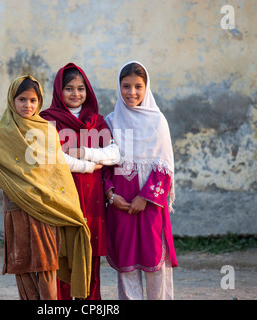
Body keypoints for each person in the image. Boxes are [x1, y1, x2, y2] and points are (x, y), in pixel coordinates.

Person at [0, 75, 92, 300]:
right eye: (21, 99)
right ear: (12, 100)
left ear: (39, 102)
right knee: (23, 266)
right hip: (16, 210)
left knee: (47, 265)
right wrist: (10, 185)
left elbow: (56, 171)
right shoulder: (1, 133)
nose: (27, 105)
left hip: (44, 211)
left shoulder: (46, 130)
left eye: (33, 100)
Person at [40, 63, 120, 300]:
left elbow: (115, 154)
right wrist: (91, 165)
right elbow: (53, 160)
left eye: (81, 88)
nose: (76, 94)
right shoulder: (47, 121)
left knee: (91, 261)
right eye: (69, 89)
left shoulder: (96, 121)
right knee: (63, 258)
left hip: (93, 201)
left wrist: (82, 152)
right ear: (58, 91)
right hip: (63, 200)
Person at [104, 61, 177, 300]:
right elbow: (104, 167)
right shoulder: (111, 122)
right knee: (127, 265)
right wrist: (111, 195)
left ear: (146, 88)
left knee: (155, 261)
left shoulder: (158, 122)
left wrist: (145, 198)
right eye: (126, 86)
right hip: (121, 205)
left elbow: (164, 167)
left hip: (150, 206)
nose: (131, 92)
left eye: (138, 86)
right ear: (119, 87)